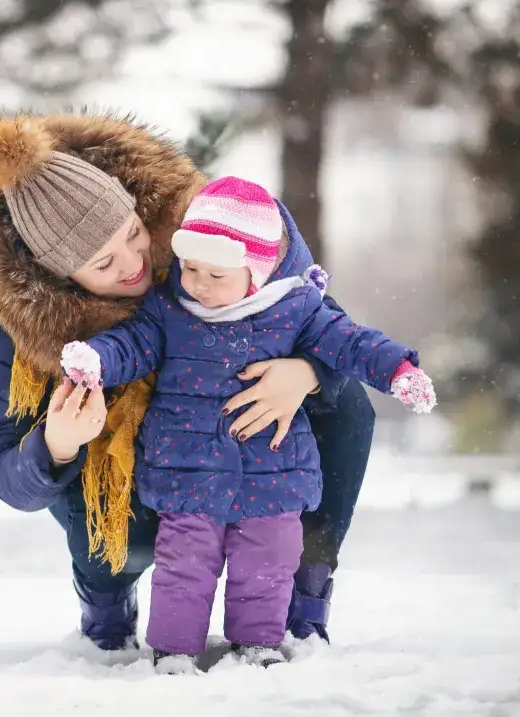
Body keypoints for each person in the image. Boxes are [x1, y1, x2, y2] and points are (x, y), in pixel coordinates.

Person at [0, 112, 376, 654]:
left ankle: (304, 585)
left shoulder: (202, 235)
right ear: (59, 277)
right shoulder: (23, 326)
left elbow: (332, 326)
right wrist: (54, 445)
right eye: (104, 263)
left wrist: (309, 373)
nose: (135, 262)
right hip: (137, 482)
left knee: (349, 404)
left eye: (132, 233)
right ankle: (106, 590)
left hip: (242, 445)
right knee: (115, 531)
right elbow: (8, 476)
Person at [59, 175, 435, 669]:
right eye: (191, 268)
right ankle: (173, 651)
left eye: (217, 276)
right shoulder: (169, 309)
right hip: (187, 471)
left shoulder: (297, 309)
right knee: (183, 565)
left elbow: (352, 343)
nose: (198, 284)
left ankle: (257, 645)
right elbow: (131, 345)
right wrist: (97, 361)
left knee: (269, 562)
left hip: (273, 472)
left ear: (255, 274)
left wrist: (398, 370)